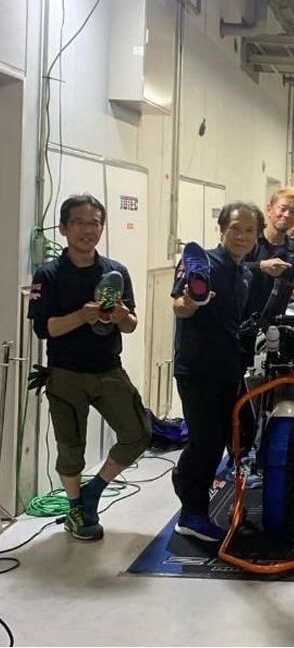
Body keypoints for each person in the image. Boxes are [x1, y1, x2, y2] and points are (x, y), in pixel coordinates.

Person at [28, 194, 150, 541]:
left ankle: (93, 492)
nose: (87, 229)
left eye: (94, 223)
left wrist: (121, 317)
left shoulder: (115, 272)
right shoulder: (48, 274)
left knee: (139, 435)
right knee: (70, 448)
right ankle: (76, 509)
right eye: (79, 222)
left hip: (109, 370)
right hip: (65, 374)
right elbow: (44, 329)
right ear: (64, 228)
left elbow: (131, 325)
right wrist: (83, 316)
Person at [170, 202, 261, 542]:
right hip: (197, 369)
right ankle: (191, 514)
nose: (242, 236)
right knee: (206, 442)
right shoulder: (201, 264)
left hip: (229, 369)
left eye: (249, 230)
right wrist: (193, 300)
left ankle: (188, 482)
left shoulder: (244, 274)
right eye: (235, 228)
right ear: (221, 229)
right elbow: (180, 307)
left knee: (230, 438)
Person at [238, 188, 294, 460]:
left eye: (293, 211)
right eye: (282, 208)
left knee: (270, 390)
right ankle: (239, 453)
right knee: (239, 394)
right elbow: (232, 268)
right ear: (270, 209)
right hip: (242, 328)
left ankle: (268, 449)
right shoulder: (249, 244)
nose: (286, 215)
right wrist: (261, 267)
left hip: (275, 331)